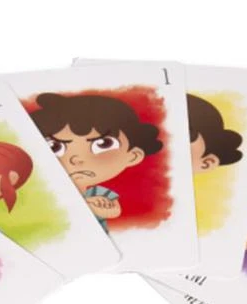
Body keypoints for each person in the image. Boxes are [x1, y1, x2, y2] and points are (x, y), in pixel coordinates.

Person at [29, 92, 163, 230]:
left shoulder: (98, 192)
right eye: (54, 146)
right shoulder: (44, 191)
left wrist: (95, 208)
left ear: (133, 156)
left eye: (103, 144)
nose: (76, 159)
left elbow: (114, 211)